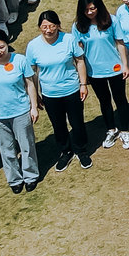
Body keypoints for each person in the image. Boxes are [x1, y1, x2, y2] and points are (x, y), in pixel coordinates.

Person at [26, 10, 91, 173]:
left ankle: (81, 150)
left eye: (52, 26)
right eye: (44, 26)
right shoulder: (33, 46)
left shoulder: (69, 39)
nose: (48, 30)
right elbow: (32, 72)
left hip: (71, 90)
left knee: (77, 122)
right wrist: (36, 96)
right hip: (50, 94)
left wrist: (83, 84)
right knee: (58, 125)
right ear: (39, 27)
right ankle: (66, 151)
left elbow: (80, 61)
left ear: (58, 26)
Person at [0, 34, 40, 193]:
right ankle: (14, 179)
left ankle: (31, 176)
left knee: (27, 146)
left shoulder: (20, 60)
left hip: (21, 111)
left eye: (1, 47)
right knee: (6, 150)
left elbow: (30, 84)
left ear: (7, 45)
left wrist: (34, 106)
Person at [73, 0, 129, 148]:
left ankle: (125, 131)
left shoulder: (111, 20)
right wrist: (83, 78)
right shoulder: (78, 27)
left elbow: (120, 43)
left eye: (93, 8)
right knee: (104, 101)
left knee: (120, 99)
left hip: (115, 69)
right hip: (94, 72)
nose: (90, 12)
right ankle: (111, 129)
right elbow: (78, 53)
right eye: (86, 10)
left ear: (98, 6)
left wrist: (125, 64)